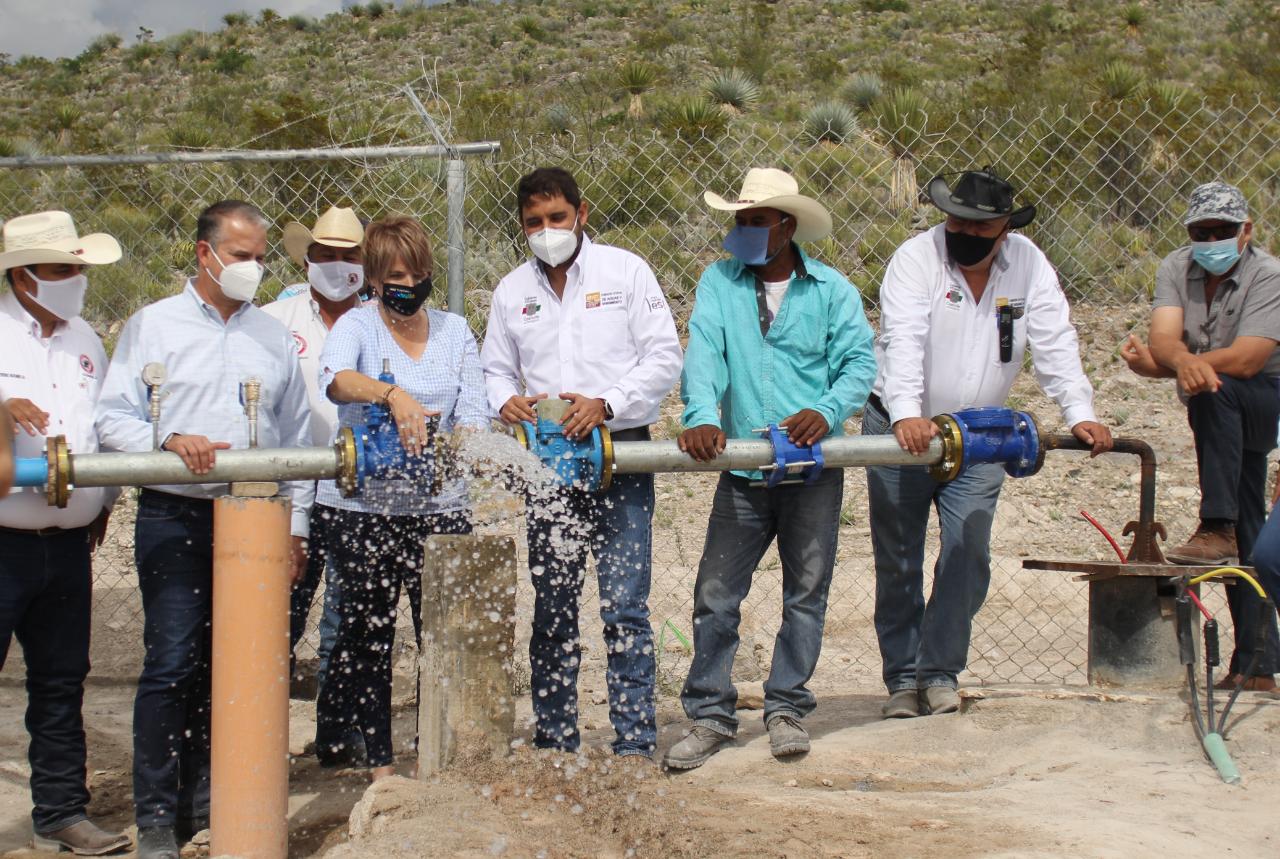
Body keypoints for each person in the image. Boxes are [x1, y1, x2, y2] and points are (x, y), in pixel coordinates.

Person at [95, 200, 314, 859]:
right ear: (204, 254)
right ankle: (158, 815)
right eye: (241, 254)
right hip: (175, 513)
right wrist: (166, 439)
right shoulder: (152, 327)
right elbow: (113, 418)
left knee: (235, 664)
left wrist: (296, 528)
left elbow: (297, 437)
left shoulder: (273, 336)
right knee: (171, 661)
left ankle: (211, 803)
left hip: (253, 517)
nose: (253, 267)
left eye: (260, 255)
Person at [866, 168, 1113, 720]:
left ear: (1005, 228)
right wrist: (907, 413)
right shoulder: (916, 258)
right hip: (901, 427)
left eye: (981, 228)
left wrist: (1080, 412)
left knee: (967, 550)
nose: (965, 233)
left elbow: (1054, 339)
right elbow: (900, 336)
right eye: (957, 222)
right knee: (899, 555)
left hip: (979, 434)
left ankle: (940, 670)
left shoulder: (1027, 264)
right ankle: (903, 679)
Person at [663, 168, 876, 770]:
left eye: (757, 220)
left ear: (787, 226)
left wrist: (827, 410)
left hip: (812, 470)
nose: (745, 231)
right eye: (740, 220)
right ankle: (710, 714)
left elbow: (859, 363)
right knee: (716, 592)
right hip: (746, 472)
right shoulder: (719, 284)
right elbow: (704, 353)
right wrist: (702, 413)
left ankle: (786, 708)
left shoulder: (831, 290)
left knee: (806, 593)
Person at [482, 167, 682, 759]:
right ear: (522, 227)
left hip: (619, 458)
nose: (547, 231)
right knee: (554, 603)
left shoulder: (626, 272)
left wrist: (608, 403)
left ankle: (635, 743)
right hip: (548, 468)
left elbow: (664, 355)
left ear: (581, 214)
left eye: (557, 218)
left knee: (624, 605)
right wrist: (505, 400)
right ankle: (556, 740)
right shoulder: (511, 292)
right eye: (534, 223)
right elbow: (495, 368)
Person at [315, 215, 489, 780]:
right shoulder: (358, 327)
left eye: (416, 273)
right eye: (394, 274)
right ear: (373, 278)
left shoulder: (455, 331)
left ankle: (440, 753)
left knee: (443, 632)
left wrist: (462, 442)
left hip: (440, 510)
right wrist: (393, 395)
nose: (407, 284)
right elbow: (337, 379)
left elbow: (474, 411)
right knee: (369, 633)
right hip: (365, 512)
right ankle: (380, 760)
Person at [0, 211, 131, 855]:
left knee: (60, 682)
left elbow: (99, 426)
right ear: (21, 275)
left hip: (68, 543)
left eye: (79, 267)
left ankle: (61, 812)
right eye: (62, 269)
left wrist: (101, 500)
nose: (76, 279)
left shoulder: (85, 340)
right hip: (4, 540)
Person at [1121, 181, 1280, 691]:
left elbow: (1250, 358)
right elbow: (1164, 337)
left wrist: (1174, 366)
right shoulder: (1176, 266)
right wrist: (1180, 360)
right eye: (1201, 231)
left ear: (1246, 231)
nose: (1211, 239)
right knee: (1250, 517)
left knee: (1216, 390)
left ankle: (1215, 524)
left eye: (1223, 230)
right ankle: (1256, 663)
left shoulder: (1269, 275)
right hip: (1220, 418)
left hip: (1263, 401)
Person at [263, 206, 364, 706]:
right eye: (328, 255)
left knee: (345, 620)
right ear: (308, 260)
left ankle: (336, 733)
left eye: (350, 256)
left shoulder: (379, 322)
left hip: (356, 492)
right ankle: (261, 727)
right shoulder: (272, 323)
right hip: (290, 490)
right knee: (279, 611)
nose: (338, 265)